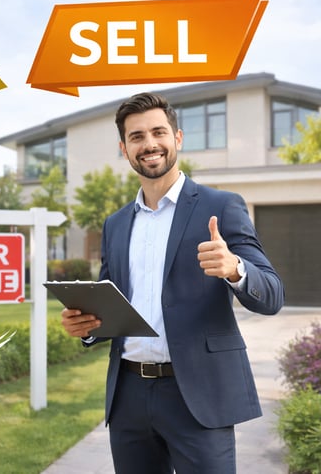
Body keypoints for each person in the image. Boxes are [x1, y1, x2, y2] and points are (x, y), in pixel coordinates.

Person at [60, 92, 284, 474]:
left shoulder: (222, 206)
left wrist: (235, 269)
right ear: (124, 148)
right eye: (136, 137)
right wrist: (86, 327)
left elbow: (272, 294)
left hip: (197, 394)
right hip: (128, 396)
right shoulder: (116, 224)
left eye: (158, 132)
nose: (149, 144)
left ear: (177, 138)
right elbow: (110, 301)